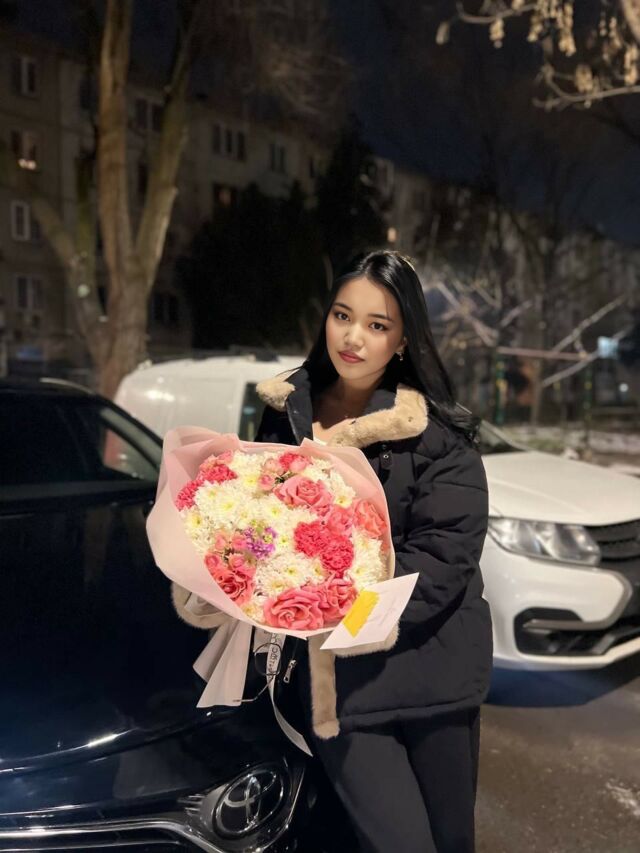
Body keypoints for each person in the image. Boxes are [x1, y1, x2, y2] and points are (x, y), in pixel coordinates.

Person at [173, 249, 492, 852]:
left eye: (377, 324)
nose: (353, 337)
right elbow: (255, 519)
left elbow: (445, 559)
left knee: (451, 841)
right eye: (342, 316)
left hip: (432, 675)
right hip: (340, 692)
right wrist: (235, 567)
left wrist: (332, 600)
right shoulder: (285, 414)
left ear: (404, 340)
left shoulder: (438, 436)